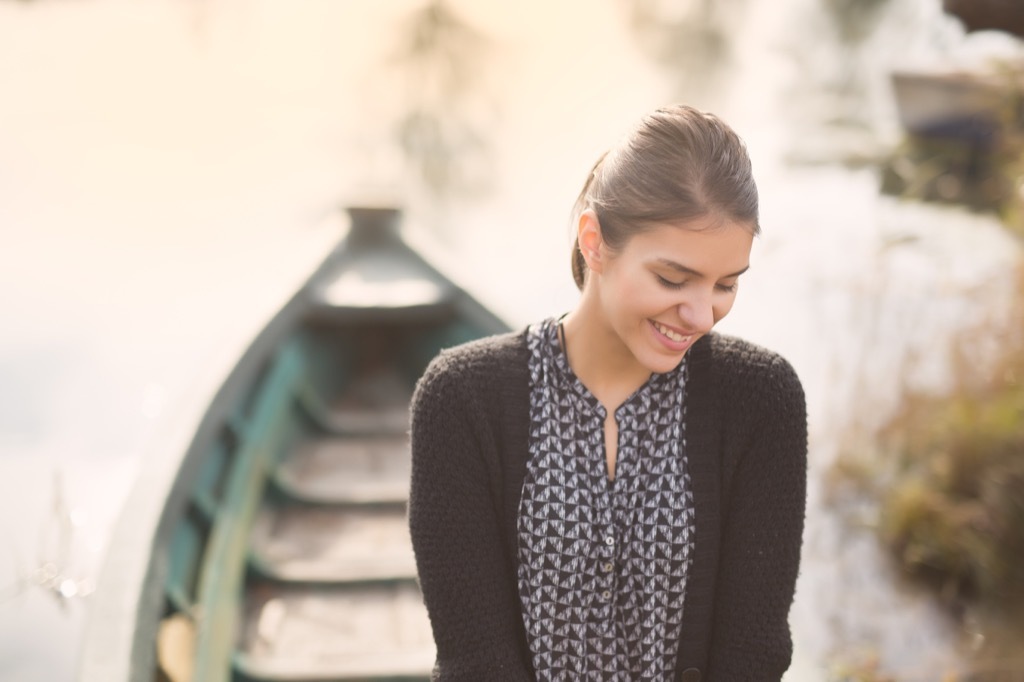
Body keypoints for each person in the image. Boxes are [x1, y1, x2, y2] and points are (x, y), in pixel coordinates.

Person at [408, 104, 807, 682]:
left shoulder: (762, 401)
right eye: (672, 279)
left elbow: (754, 653)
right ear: (593, 241)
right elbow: (474, 661)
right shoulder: (460, 402)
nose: (701, 315)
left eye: (725, 284)